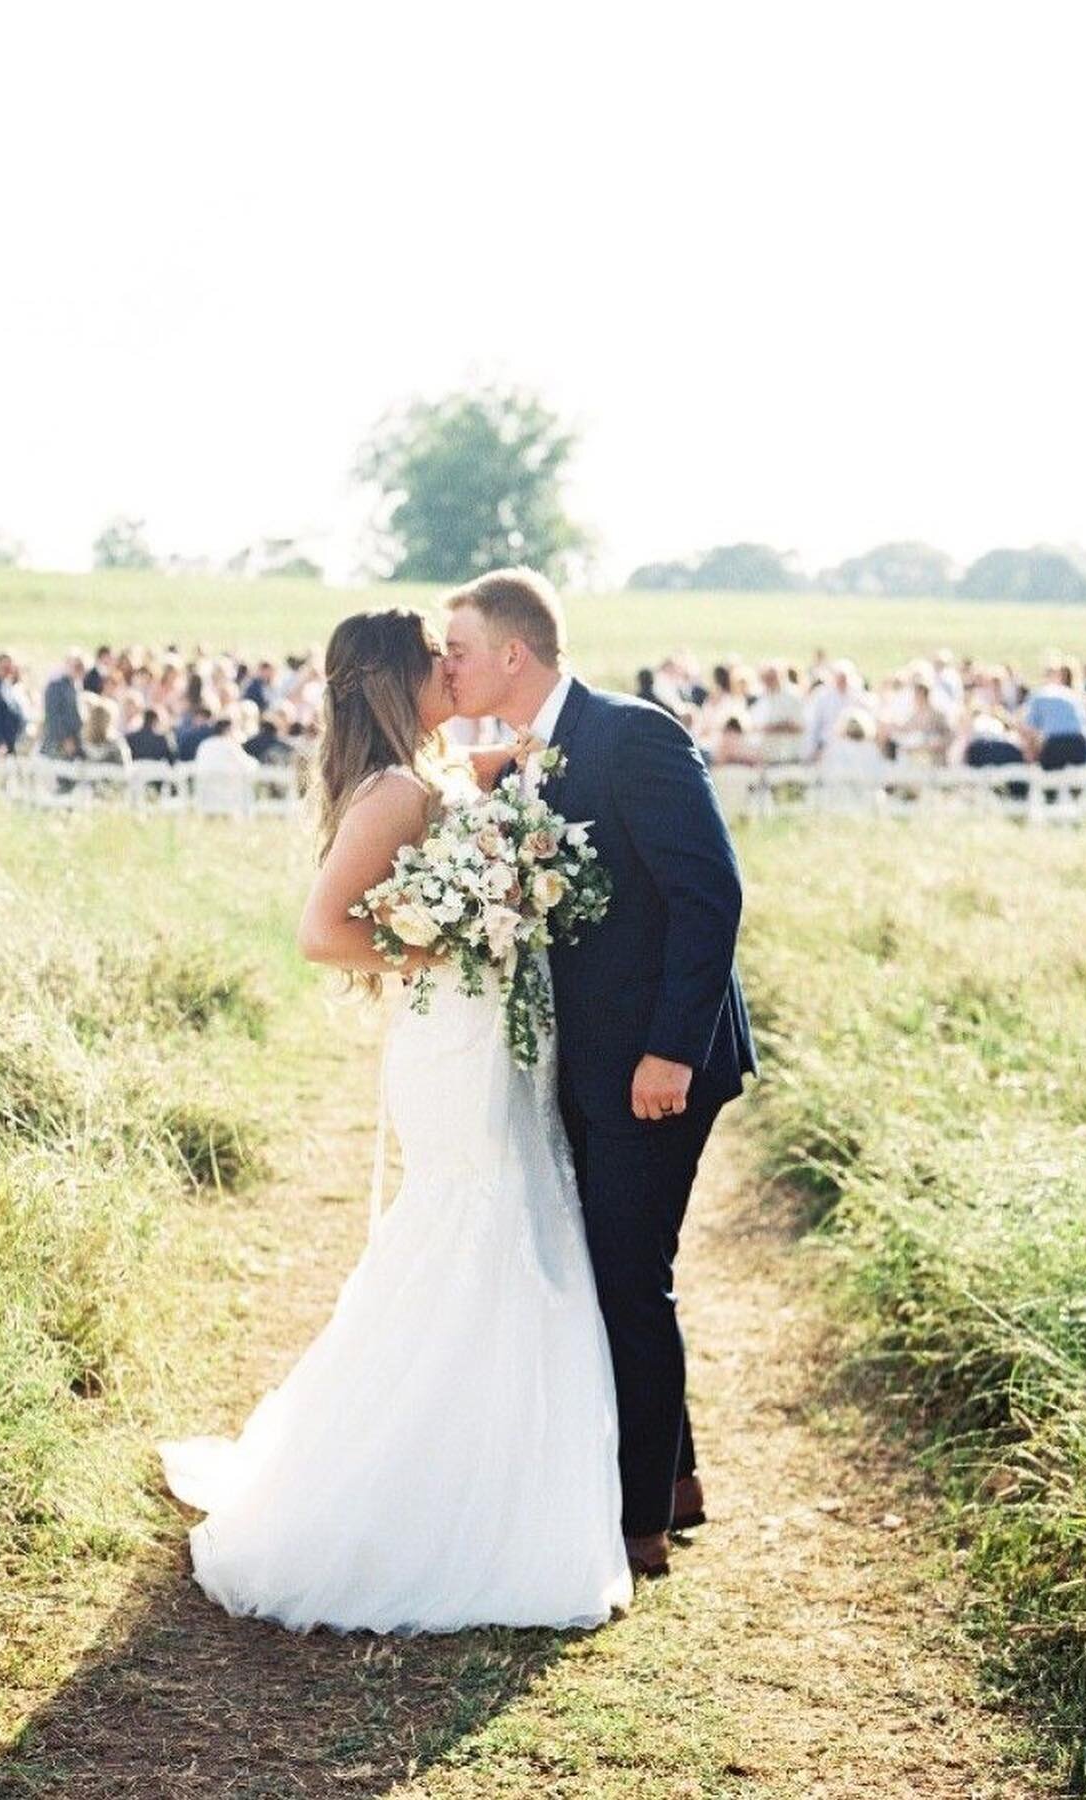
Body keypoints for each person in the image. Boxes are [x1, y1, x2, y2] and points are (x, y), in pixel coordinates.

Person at [158, 605, 635, 1633]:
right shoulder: (389, 792)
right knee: (473, 1224)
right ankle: (406, 1497)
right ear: (391, 678)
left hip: (496, 1037)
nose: (446, 664)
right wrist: (452, 944)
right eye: (431, 656)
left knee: (521, 1214)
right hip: (454, 1047)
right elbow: (322, 934)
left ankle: (493, 1472)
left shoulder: (438, 774)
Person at [444, 568, 757, 1579]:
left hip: (659, 1063)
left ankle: (636, 1530)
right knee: (618, 1268)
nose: (447, 665)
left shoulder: (634, 735)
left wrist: (671, 1046)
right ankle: (674, 1479)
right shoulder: (528, 755)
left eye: (459, 648)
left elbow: (710, 895)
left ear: (512, 655)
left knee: (629, 1276)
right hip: (591, 1061)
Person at [41, 653, 86, 758]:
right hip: (59, 743)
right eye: (76, 666)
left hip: (76, 741)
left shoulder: (76, 686)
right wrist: (65, 739)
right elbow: (53, 716)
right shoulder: (55, 686)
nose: (80, 670)